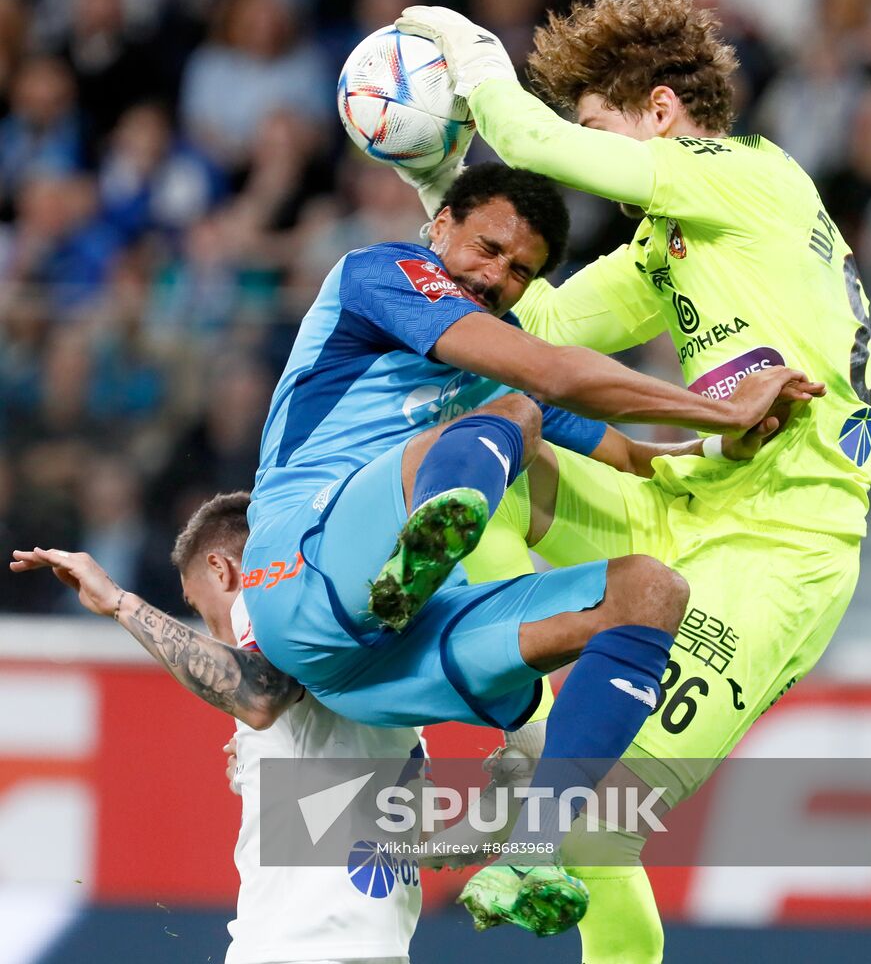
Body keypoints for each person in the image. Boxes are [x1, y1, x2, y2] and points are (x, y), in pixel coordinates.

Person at [395, 0, 871, 959]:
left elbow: (532, 146)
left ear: (660, 112)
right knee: (485, 447)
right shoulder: (671, 239)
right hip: (684, 500)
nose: (595, 157)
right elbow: (521, 333)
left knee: (594, 817)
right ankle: (519, 706)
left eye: (600, 128)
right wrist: (435, 204)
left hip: (781, 549)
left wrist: (465, 45)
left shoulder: (747, 176)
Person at [236, 161, 818, 934]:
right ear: (440, 226)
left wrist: (728, 448)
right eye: (487, 247)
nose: (498, 276)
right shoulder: (378, 275)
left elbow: (630, 454)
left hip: (373, 664)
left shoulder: (497, 353)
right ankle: (424, 554)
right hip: (302, 567)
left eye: (521, 270)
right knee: (515, 407)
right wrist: (718, 407)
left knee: (649, 592)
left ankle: (533, 849)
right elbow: (548, 374)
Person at [11, 491, 423, 964]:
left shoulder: (266, 602)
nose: (211, 631)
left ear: (221, 569)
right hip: (375, 941)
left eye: (198, 604)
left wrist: (119, 604)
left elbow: (259, 694)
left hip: (298, 944)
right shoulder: (377, 645)